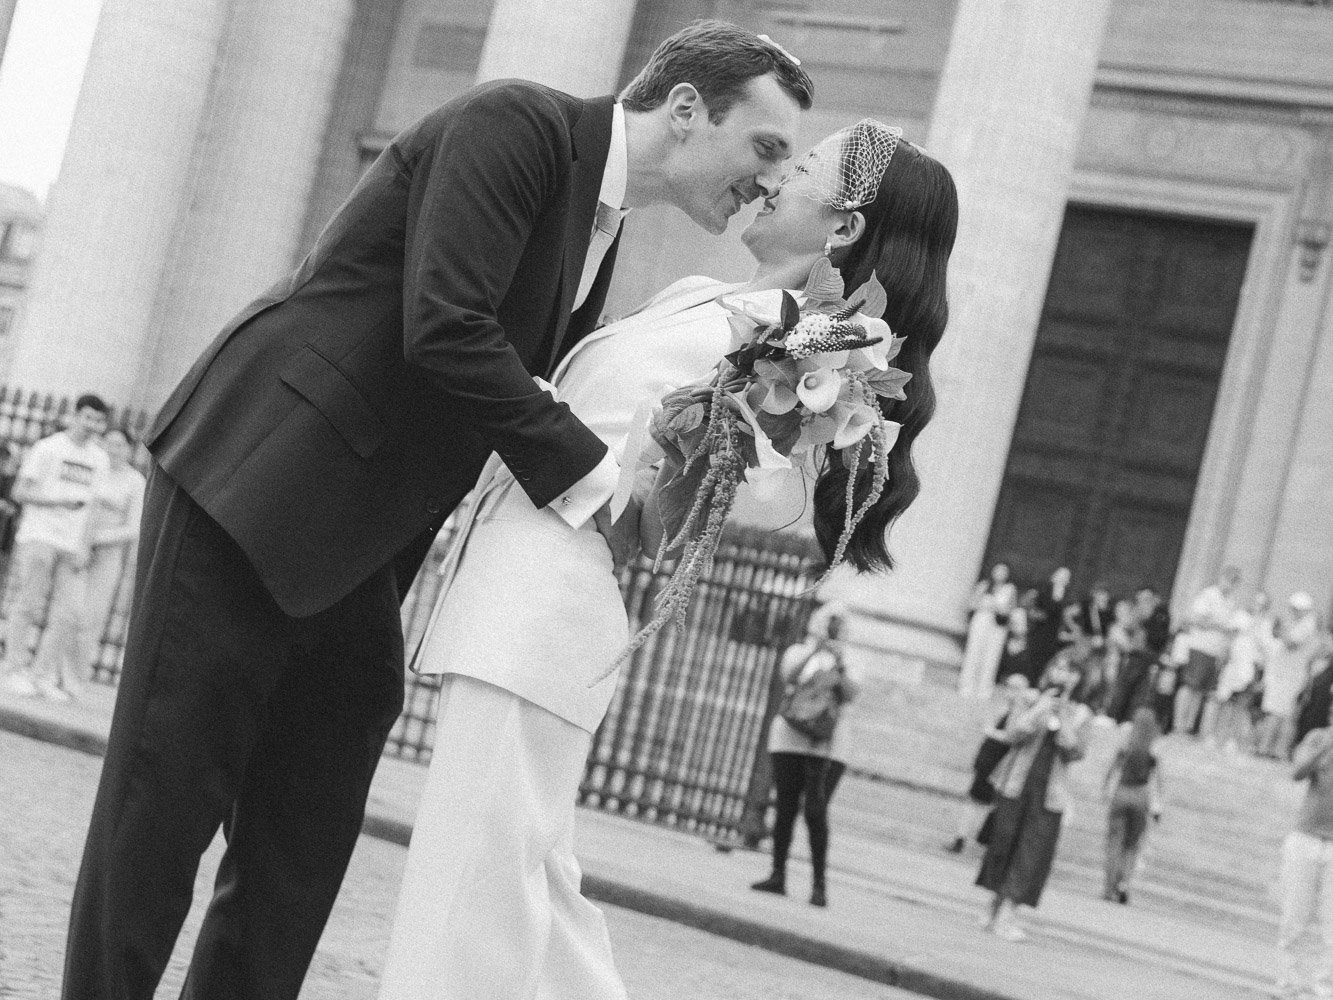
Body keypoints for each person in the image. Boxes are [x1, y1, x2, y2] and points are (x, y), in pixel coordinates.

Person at [62, 21, 814, 1000]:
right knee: (159, 813)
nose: (767, 182)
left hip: (367, 549)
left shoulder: (604, 216)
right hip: (255, 488)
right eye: (763, 149)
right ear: (684, 109)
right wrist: (601, 488)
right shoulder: (517, 124)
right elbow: (447, 330)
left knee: (301, 843)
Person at [379, 118, 958, 996]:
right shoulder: (698, 292)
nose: (769, 177)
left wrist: (765, 411)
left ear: (841, 228)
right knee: (526, 876)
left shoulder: (810, 342)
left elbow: (767, 495)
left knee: (474, 882)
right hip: (508, 582)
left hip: (552, 600)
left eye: (797, 168)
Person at [0, 394, 110, 702]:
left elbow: (95, 508)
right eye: (87, 417)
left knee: (70, 613)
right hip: (40, 536)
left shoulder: (99, 459)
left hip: (72, 544)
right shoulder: (48, 448)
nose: (92, 425)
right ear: (75, 416)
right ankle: (13, 669)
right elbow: (20, 491)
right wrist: (58, 501)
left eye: (98, 421)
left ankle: (42, 674)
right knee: (30, 604)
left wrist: (85, 546)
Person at [749, 605, 859, 908]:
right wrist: (815, 653)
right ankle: (777, 874)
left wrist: (838, 662)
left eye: (838, 625)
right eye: (829, 623)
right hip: (789, 737)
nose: (833, 628)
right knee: (785, 806)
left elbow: (851, 694)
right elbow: (789, 678)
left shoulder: (851, 660)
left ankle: (819, 884)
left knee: (816, 810)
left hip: (829, 744)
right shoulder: (799, 652)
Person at [977, 658, 1092, 941]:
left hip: (1049, 792)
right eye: (1060, 668)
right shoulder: (1029, 700)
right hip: (1016, 782)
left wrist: (1063, 718)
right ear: (1050, 671)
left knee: (1032, 853)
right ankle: (993, 905)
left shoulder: (1081, 714)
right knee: (1004, 843)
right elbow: (1013, 733)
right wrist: (1041, 708)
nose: (1064, 676)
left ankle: (1008, 912)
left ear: (1079, 679)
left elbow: (1075, 751)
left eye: (1071, 671)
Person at [1276, 701, 1333, 1000]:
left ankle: (1326, 989)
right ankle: (1290, 984)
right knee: (1294, 917)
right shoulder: (1317, 738)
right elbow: (1296, 772)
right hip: (1306, 838)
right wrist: (1322, 751)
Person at [80, 428, 147, 679]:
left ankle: (73, 676)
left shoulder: (135, 481)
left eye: (119, 445)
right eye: (108, 443)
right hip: (77, 548)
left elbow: (134, 527)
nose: (112, 449)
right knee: (68, 612)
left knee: (92, 617)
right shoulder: (93, 470)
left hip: (108, 554)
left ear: (129, 449)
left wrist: (97, 538)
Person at [946, 674, 1036, 854]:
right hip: (990, 760)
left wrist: (991, 732)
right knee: (980, 801)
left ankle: (971, 839)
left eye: (1015, 688)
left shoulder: (1019, 711)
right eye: (1008, 686)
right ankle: (969, 838)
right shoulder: (1005, 708)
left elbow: (1012, 737)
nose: (1010, 691)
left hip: (998, 761)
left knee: (984, 802)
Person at [1101, 707, 1164, 904]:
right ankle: (1124, 883)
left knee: (1114, 842)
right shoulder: (1153, 747)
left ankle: (1109, 885)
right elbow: (1158, 780)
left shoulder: (1127, 742)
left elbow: (1112, 769)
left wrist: (1105, 789)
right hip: (1141, 796)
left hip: (1121, 792)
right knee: (1131, 845)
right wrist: (1158, 805)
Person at [1174, 567, 1241, 737]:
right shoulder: (1209, 595)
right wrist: (1221, 626)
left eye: (1234, 581)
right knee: (1190, 685)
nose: (1230, 584)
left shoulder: (1231, 601)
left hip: (1215, 650)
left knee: (1201, 690)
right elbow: (1197, 619)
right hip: (1200, 646)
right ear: (1222, 578)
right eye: (1228, 579)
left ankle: (1188, 726)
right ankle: (1178, 724)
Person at [1258, 592, 1324, 759]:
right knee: (1277, 711)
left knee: (1284, 714)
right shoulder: (1300, 623)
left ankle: (1275, 750)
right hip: (1285, 673)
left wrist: (1279, 629)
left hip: (1292, 675)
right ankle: (1268, 748)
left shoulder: (1307, 625)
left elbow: (1291, 642)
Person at [1214, 591, 1275, 752]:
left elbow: (1266, 647)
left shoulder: (1266, 624)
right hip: (1234, 664)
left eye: (1262, 605)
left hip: (1249, 667)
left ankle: (1232, 738)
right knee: (1225, 700)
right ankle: (1217, 735)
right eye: (1256, 603)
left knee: (1241, 704)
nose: (1258, 607)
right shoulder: (1240, 616)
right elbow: (1229, 636)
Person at [958, 562, 1018, 699]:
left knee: (991, 655)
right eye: (997, 571)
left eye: (1003, 572)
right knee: (974, 652)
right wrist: (984, 604)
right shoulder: (984, 586)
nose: (999, 574)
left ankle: (984, 688)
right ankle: (966, 685)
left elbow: (1010, 610)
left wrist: (996, 607)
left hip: (997, 625)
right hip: (981, 620)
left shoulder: (1009, 589)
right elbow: (971, 604)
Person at [1026, 566, 1073, 679]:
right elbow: (1034, 608)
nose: (1062, 578)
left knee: (1047, 662)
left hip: (1053, 634)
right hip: (1039, 630)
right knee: (1033, 658)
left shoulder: (1068, 595)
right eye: (1060, 575)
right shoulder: (1044, 589)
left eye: (1065, 577)